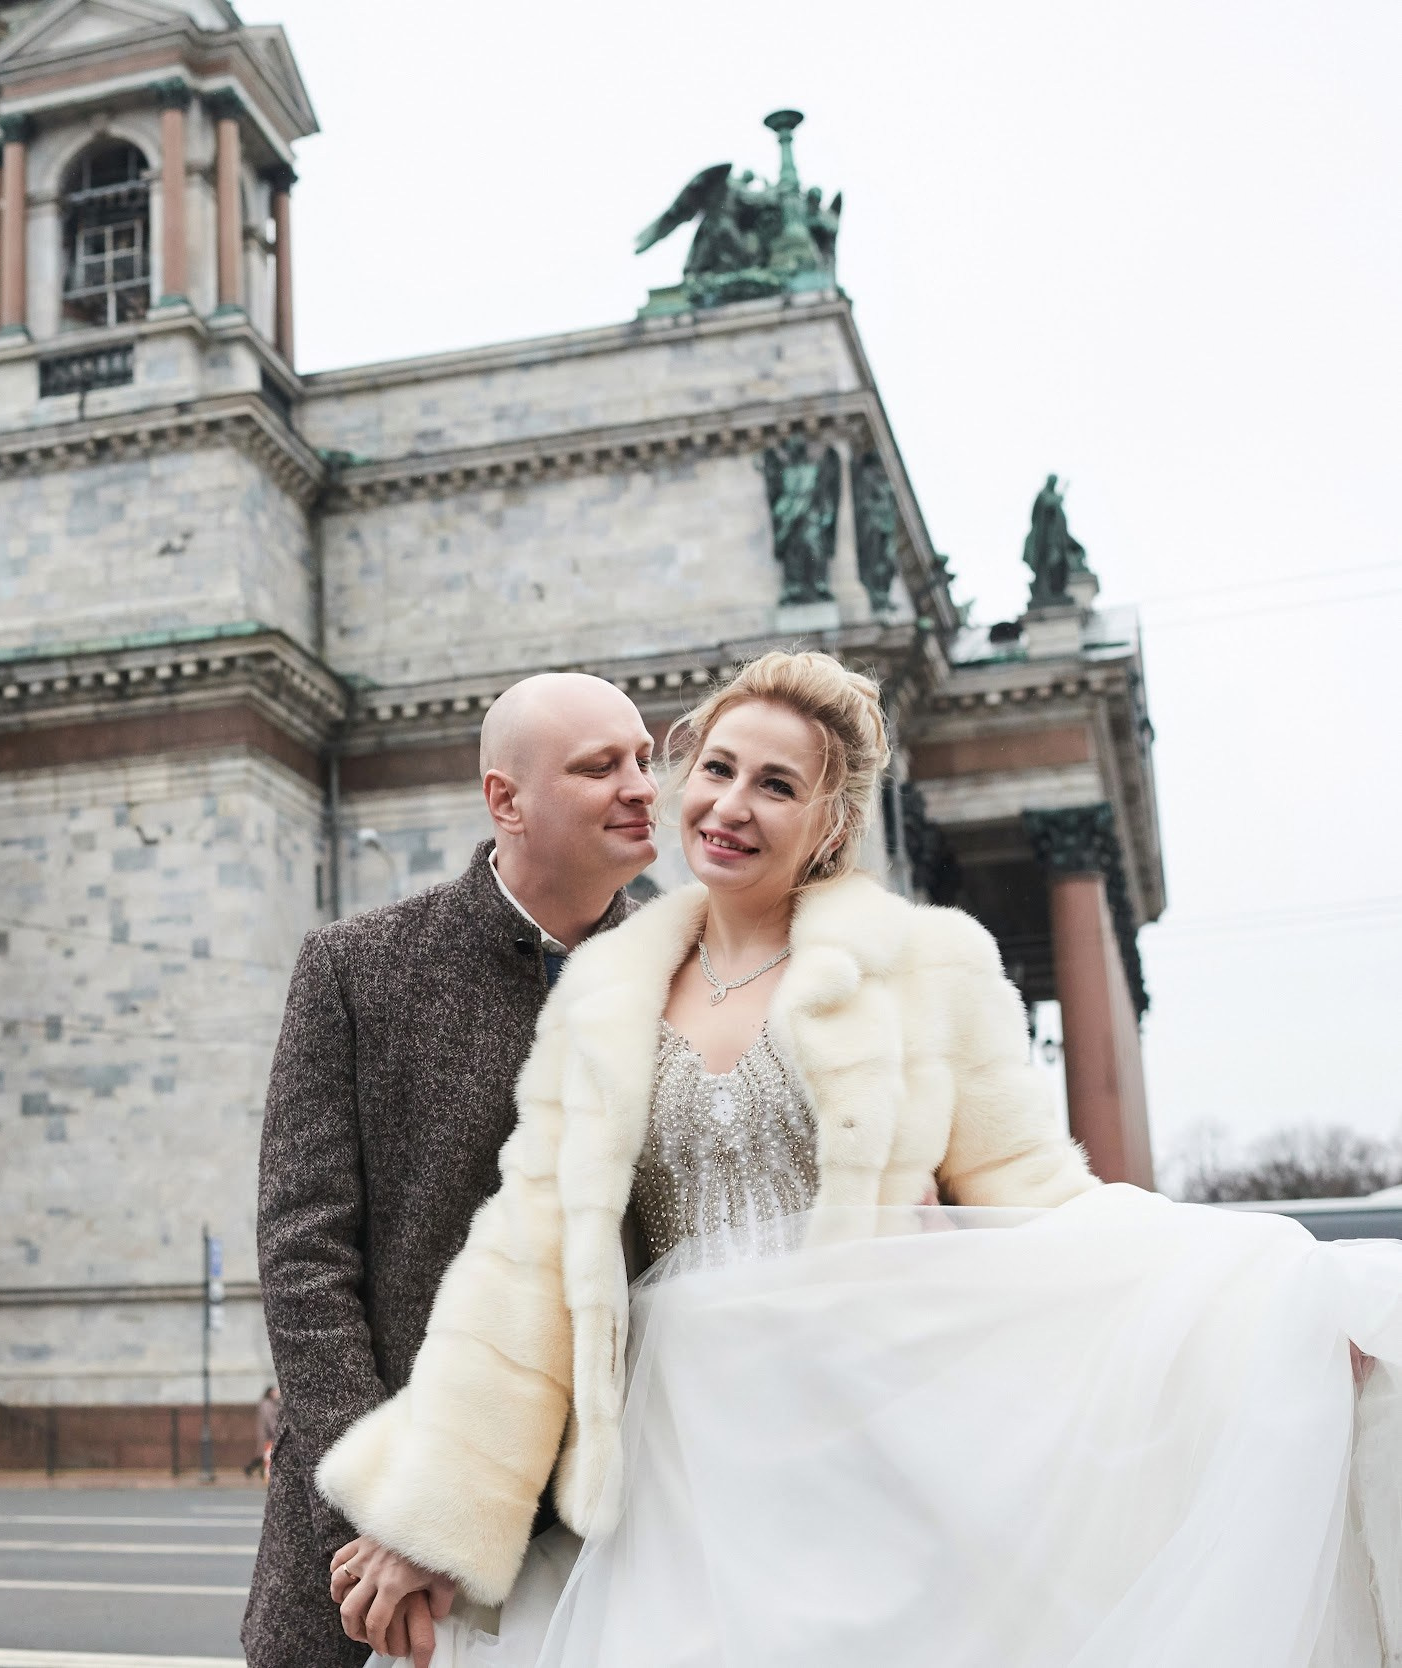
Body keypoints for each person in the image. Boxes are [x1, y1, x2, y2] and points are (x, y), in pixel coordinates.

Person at [315, 651, 1402, 1666]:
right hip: (681, 1457)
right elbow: (527, 1263)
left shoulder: (925, 965)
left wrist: (1269, 1318)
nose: (729, 806)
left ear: (830, 822)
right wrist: (437, 1514)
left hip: (871, 1427)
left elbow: (1040, 1201)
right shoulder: (606, 990)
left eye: (777, 786)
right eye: (717, 769)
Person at [245, 673, 661, 1668]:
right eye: (600, 765)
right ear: (505, 802)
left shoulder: (690, 979)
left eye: (646, 758)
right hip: (369, 1561)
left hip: (605, 1533)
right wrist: (393, 1506)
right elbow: (305, 1259)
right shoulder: (359, 968)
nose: (643, 785)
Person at [247, 1385, 282, 1481]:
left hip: (268, 1432)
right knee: (264, 1453)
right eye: (275, 1392)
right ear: (270, 1393)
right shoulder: (267, 1404)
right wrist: (275, 1430)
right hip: (267, 1433)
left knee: (264, 1454)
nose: (277, 1394)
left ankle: (254, 1470)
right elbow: (270, 1420)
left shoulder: (271, 1403)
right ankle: (250, 1469)